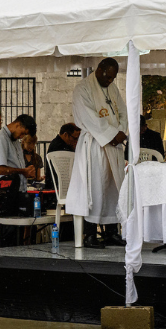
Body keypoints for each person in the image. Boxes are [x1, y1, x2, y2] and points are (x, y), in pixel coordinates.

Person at [70, 58, 128, 249]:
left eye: (113, 78)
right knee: (94, 187)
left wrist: (120, 132)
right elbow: (89, 117)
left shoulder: (112, 88)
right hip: (95, 144)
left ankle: (111, 232)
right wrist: (112, 135)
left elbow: (122, 112)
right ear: (100, 69)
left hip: (113, 144)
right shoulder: (83, 88)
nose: (110, 81)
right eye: (108, 76)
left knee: (113, 188)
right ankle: (90, 234)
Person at [0, 113, 38, 246]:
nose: (22, 137)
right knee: (7, 231)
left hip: (18, 191)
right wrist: (23, 171)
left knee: (16, 233)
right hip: (7, 193)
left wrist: (27, 172)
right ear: (17, 125)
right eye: (22, 133)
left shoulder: (15, 141)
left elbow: (17, 166)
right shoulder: (1, 139)